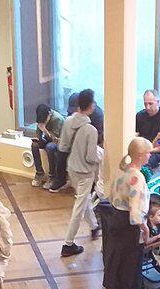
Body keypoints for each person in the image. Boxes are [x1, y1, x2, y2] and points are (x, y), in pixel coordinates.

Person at [108, 136, 159, 289]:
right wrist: (145, 230)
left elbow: (111, 197)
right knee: (133, 276)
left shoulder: (121, 172)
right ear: (140, 155)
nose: (150, 156)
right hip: (130, 231)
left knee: (117, 269)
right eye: (148, 153)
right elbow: (136, 211)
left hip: (116, 225)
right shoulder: (137, 178)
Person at [58, 90, 103, 259]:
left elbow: (63, 146)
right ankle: (68, 243)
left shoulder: (69, 121)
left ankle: (94, 226)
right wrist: (101, 156)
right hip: (85, 172)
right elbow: (91, 157)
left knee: (84, 200)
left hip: (72, 168)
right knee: (79, 207)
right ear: (91, 106)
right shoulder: (91, 130)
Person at [31, 103, 66, 189]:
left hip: (59, 142)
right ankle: (39, 173)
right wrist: (38, 138)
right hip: (48, 139)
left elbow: (55, 139)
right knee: (34, 145)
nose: (42, 122)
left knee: (50, 147)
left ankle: (52, 176)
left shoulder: (57, 119)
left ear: (49, 114)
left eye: (44, 121)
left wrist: (45, 131)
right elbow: (39, 133)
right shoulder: (41, 119)